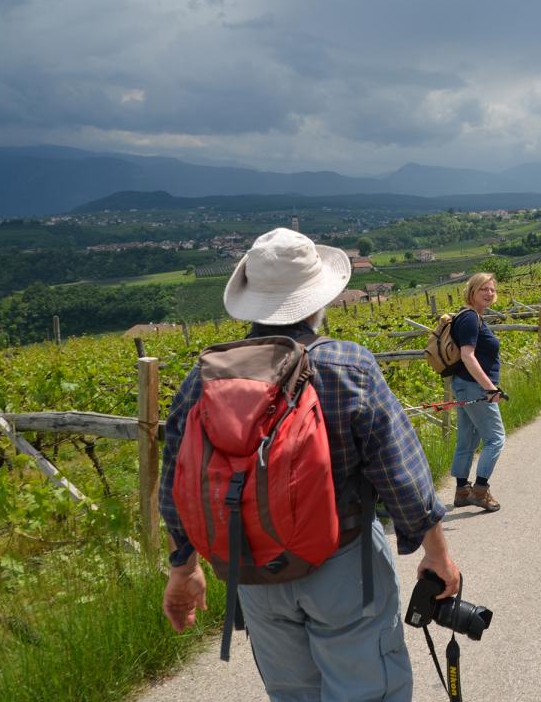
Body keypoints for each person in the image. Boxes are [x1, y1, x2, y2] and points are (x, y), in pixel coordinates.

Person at [159, 227, 459, 702]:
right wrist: (437, 553)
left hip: (252, 570)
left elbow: (176, 481)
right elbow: (401, 473)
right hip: (343, 562)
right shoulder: (347, 364)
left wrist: (183, 565)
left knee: (293, 694)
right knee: (367, 690)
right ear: (319, 299)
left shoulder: (205, 378)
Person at [450, 272, 506, 513]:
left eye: (492, 289)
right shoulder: (471, 318)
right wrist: (490, 388)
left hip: (464, 384)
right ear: (471, 291)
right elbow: (467, 356)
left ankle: (462, 491)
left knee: (468, 439)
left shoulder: (470, 317)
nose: (489, 293)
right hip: (474, 387)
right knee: (495, 438)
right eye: (483, 288)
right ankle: (481, 491)